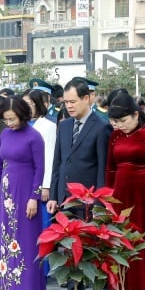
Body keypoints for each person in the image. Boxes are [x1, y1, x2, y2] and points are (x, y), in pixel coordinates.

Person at [104, 93, 145, 290]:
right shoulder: (115, 136)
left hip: (144, 196)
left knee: (142, 240)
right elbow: (110, 169)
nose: (119, 125)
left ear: (136, 115)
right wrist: (107, 199)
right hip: (120, 195)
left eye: (123, 120)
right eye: (115, 121)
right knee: (121, 240)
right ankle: (122, 285)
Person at [0, 96, 46, 290]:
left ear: (22, 115)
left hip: (25, 195)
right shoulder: (4, 134)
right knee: (6, 243)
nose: (10, 123)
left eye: (13, 119)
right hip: (6, 195)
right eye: (6, 119)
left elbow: (40, 169)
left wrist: (35, 197)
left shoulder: (34, 137)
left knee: (26, 243)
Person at [51, 78, 110, 217]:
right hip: (64, 198)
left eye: (73, 102)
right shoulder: (64, 126)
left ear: (86, 98)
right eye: (66, 102)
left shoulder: (102, 127)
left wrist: (99, 205)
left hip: (88, 202)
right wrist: (54, 195)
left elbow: (103, 169)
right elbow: (58, 162)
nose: (69, 106)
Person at [24, 89, 57, 217]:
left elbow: (49, 156)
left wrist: (46, 185)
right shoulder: (20, 125)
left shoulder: (48, 126)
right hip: (24, 178)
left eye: (29, 103)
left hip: (40, 180)